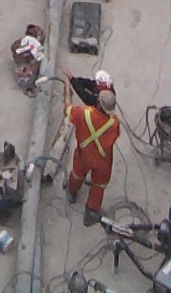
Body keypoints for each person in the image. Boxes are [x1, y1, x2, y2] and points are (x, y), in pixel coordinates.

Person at [56, 68, 121, 226]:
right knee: (99, 185)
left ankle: (72, 192)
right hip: (103, 161)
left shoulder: (83, 113)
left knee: (77, 173)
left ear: (98, 102)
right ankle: (91, 211)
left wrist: (67, 91)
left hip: (84, 154)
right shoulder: (114, 123)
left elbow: (67, 109)